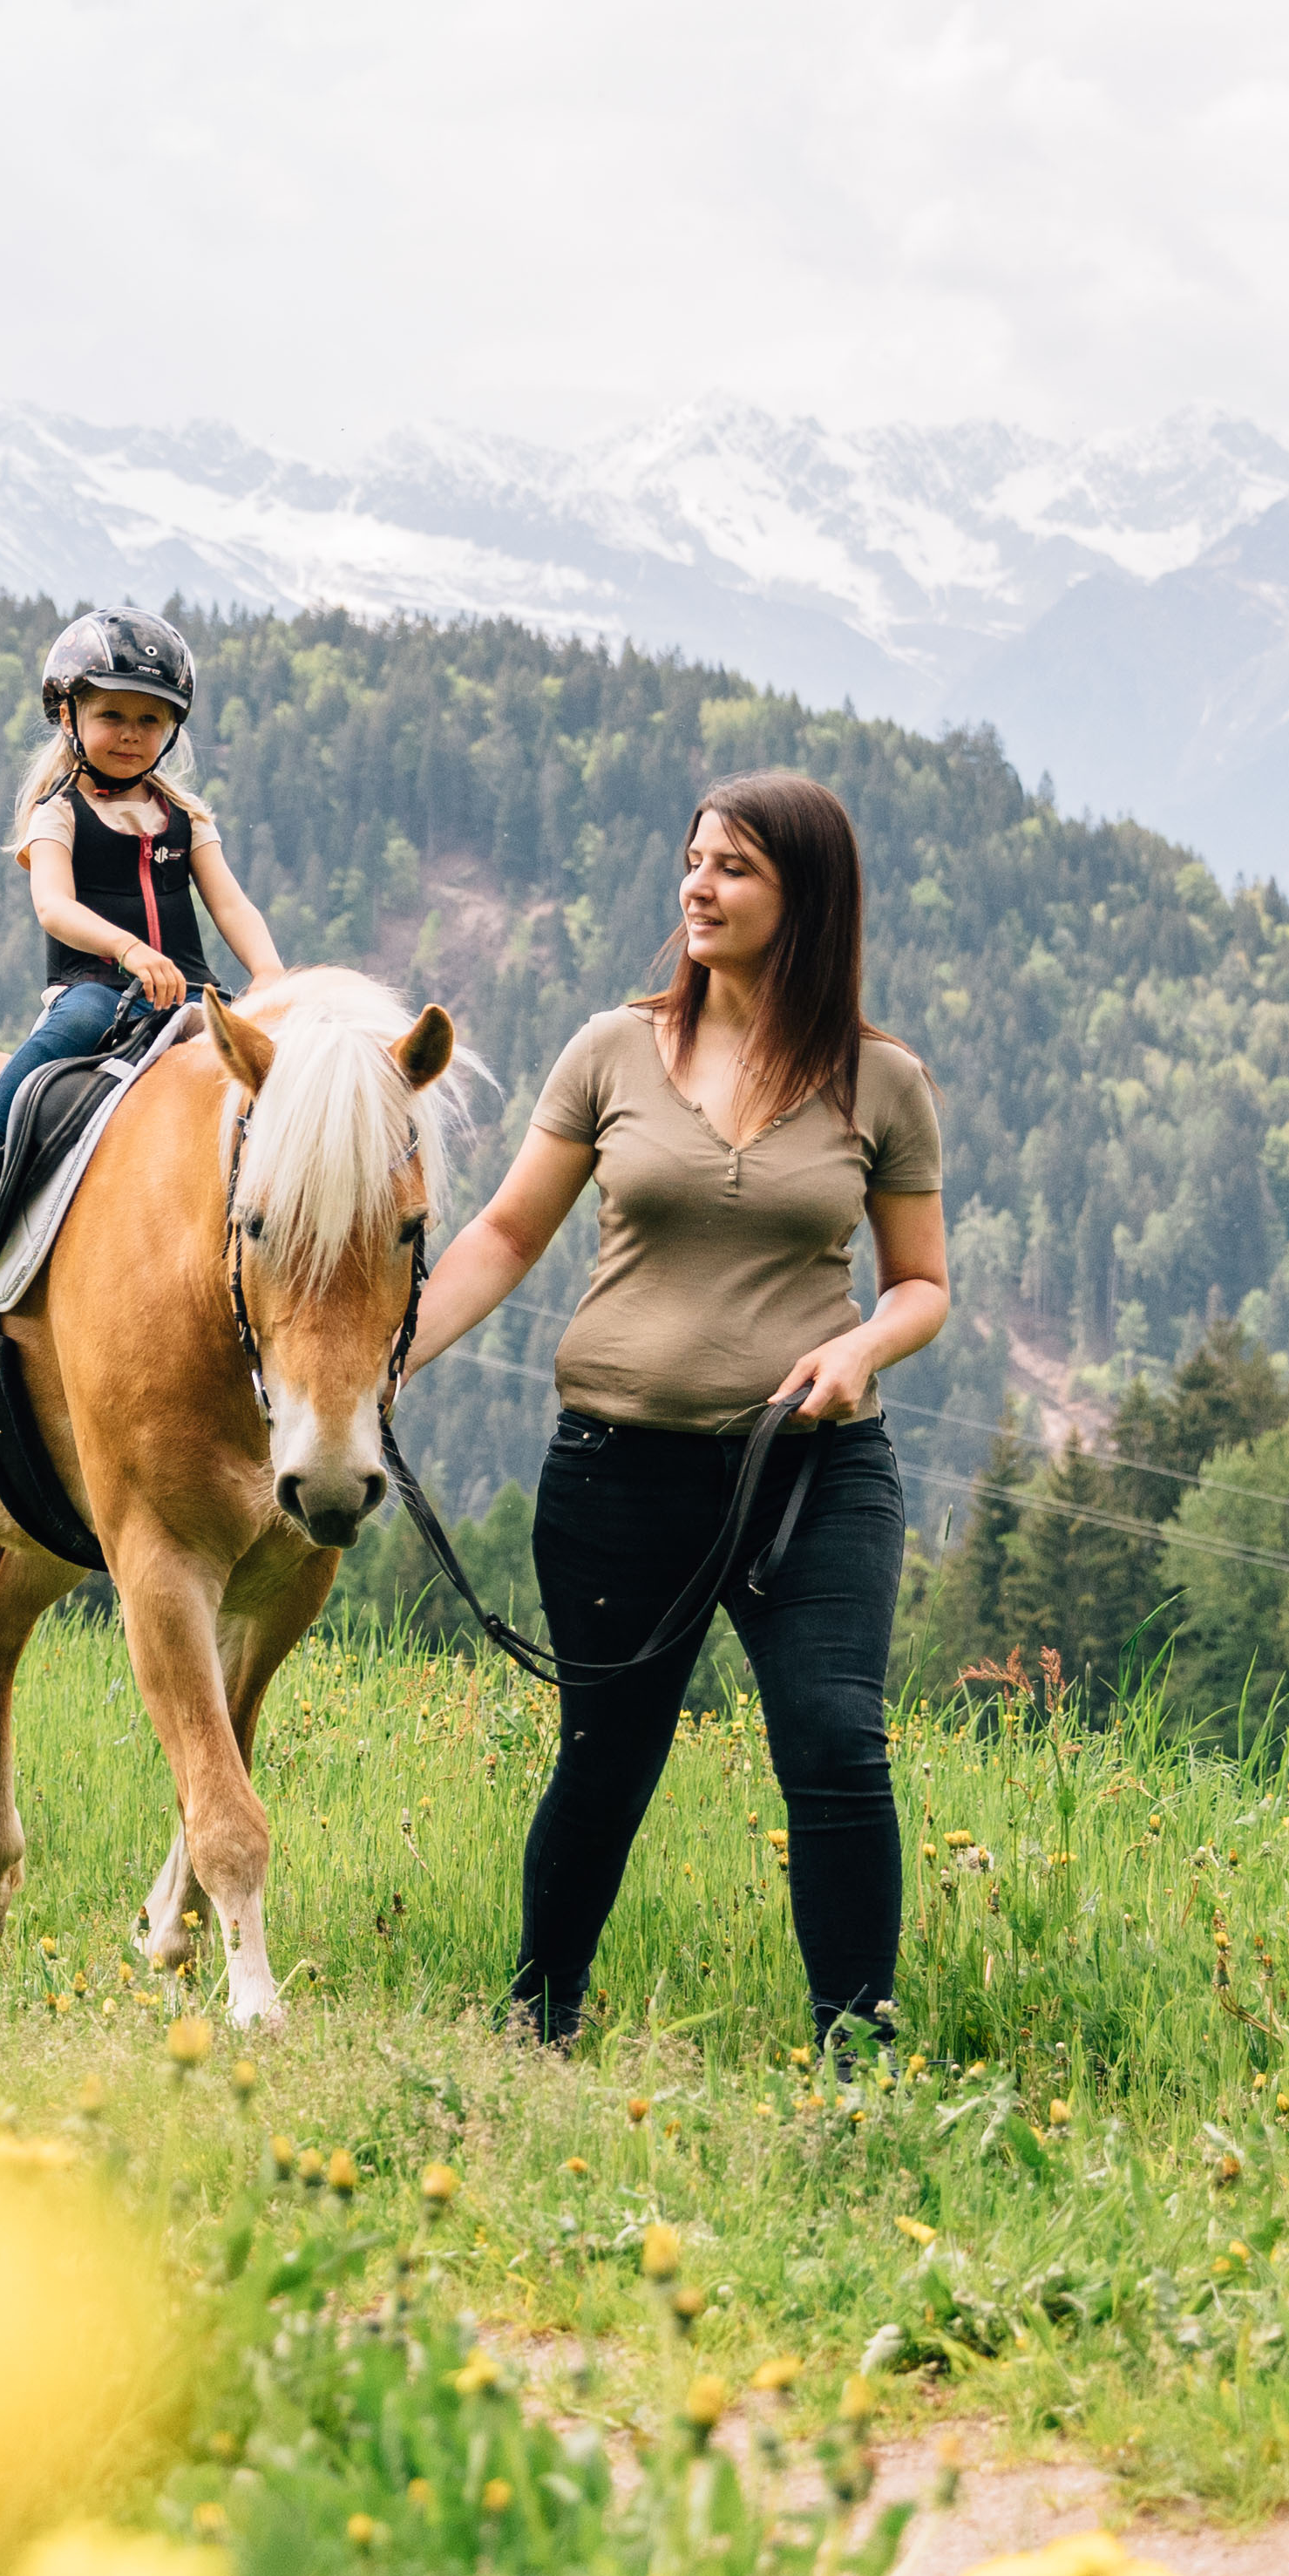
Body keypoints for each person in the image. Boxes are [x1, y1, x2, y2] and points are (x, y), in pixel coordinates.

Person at [397, 767, 954, 2055]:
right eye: (694, 860)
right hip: (615, 1473)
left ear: (807, 897)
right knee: (608, 1751)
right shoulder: (609, 1050)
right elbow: (504, 1235)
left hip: (811, 1473)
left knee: (834, 1739)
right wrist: (387, 1363)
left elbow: (922, 1284)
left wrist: (863, 1346)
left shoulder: (881, 1082)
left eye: (733, 868)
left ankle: (856, 2056)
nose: (698, 887)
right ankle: (539, 2023)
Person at [0, 608, 283, 1244]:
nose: (132, 734)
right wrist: (128, 949)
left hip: (192, 994)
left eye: (150, 720)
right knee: (74, 1026)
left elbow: (232, 906)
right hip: (98, 989)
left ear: (171, 730)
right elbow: (53, 907)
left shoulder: (187, 817)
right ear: (69, 717)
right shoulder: (57, 814)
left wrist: (272, 976)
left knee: (270, 1063)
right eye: (112, 715)